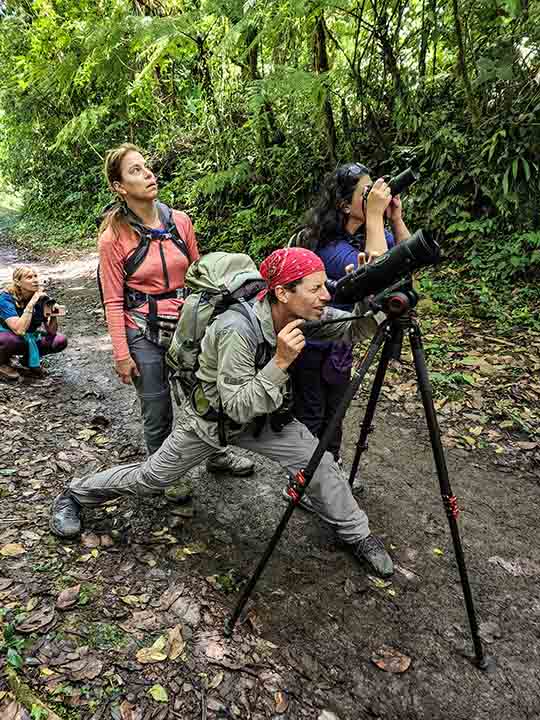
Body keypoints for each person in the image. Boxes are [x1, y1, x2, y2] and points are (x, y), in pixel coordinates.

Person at [50, 247, 394, 578]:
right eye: (315, 288)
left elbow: (355, 328)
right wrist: (280, 362)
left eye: (325, 286)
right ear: (283, 293)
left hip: (266, 417)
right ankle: (75, 494)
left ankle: (357, 534)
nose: (326, 296)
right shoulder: (236, 328)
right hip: (212, 421)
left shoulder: (302, 313)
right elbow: (238, 405)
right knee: (153, 478)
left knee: (319, 462)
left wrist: (373, 297)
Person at [98, 143, 253, 477]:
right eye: (135, 170)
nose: (148, 174)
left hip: (189, 327)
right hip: (141, 329)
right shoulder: (113, 237)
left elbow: (201, 276)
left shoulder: (180, 222)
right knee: (157, 408)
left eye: (146, 166)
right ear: (119, 187)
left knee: (208, 396)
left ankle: (216, 454)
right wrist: (122, 354)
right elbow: (112, 299)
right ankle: (162, 475)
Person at [291, 162, 411, 462]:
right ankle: (303, 480)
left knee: (335, 417)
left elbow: (407, 267)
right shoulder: (327, 246)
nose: (374, 197)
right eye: (365, 193)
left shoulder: (369, 236)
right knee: (313, 417)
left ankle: (328, 474)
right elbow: (377, 279)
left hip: (340, 346)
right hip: (311, 347)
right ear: (345, 205)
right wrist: (374, 215)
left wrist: (395, 219)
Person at [0, 266, 67, 381]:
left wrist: (53, 314)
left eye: (35, 276)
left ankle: (27, 361)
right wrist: (31, 303)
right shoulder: (6, 299)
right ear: (18, 282)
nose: (35, 280)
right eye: (29, 277)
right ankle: (2, 363)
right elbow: (19, 330)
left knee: (59, 340)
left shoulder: (42, 299)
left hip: (28, 337)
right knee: (9, 340)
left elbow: (51, 332)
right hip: (9, 335)